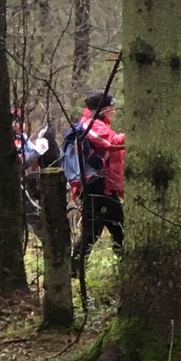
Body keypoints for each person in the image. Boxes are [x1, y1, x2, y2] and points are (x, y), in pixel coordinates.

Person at [65, 90, 125, 274]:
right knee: (106, 230)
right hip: (97, 188)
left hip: (103, 188)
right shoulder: (91, 125)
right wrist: (135, 136)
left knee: (107, 229)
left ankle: (75, 270)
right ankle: (75, 271)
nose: (113, 111)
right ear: (103, 109)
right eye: (111, 108)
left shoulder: (96, 124)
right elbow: (111, 142)